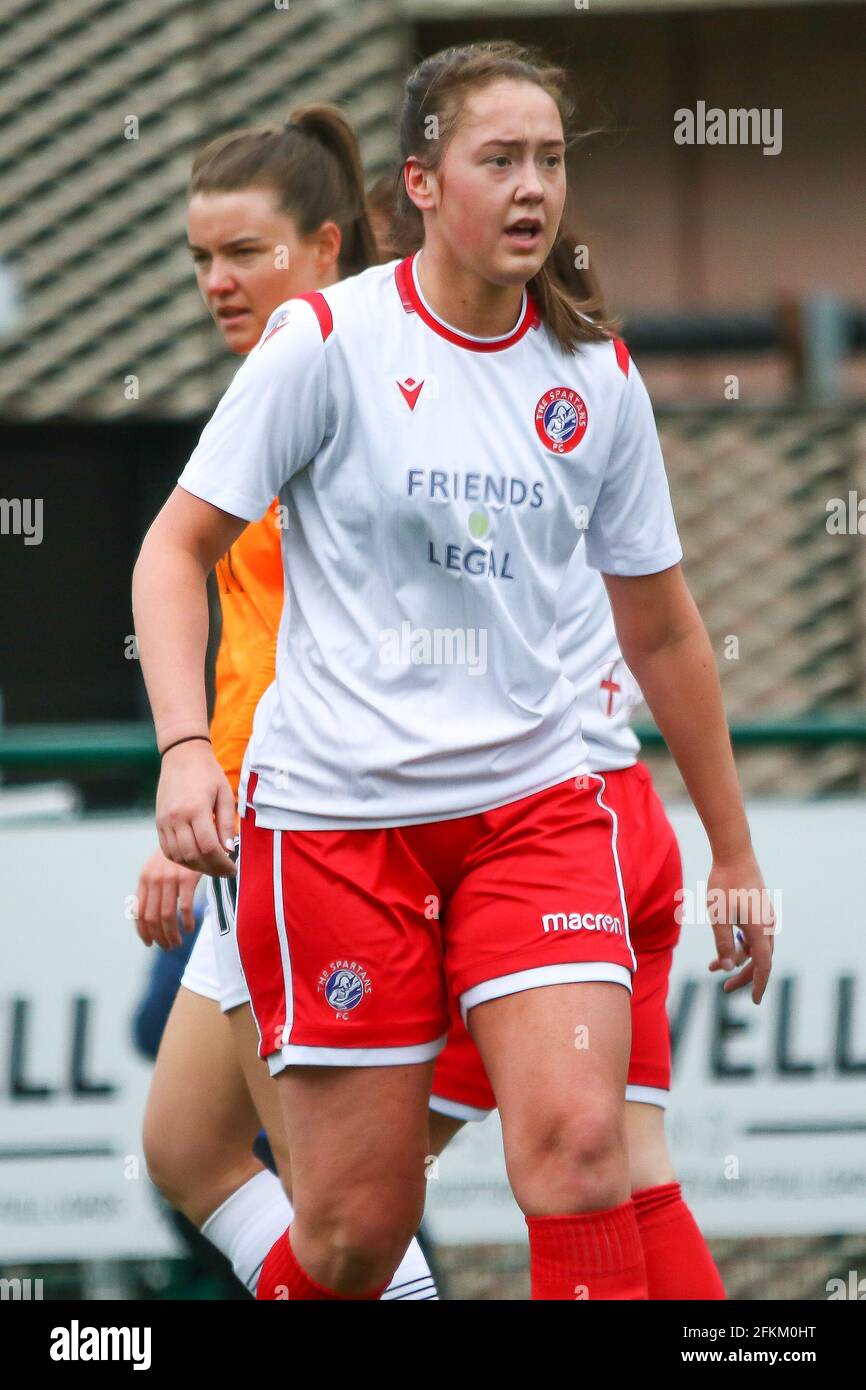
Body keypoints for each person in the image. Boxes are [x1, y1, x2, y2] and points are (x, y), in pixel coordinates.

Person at [133, 40, 774, 1301]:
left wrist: (733, 852)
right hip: (334, 829)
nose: (531, 187)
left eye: (547, 161)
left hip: (533, 815)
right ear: (421, 184)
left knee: (586, 1150)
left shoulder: (595, 376)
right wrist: (183, 748)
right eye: (499, 160)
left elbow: (665, 633)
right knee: (351, 1238)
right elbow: (172, 551)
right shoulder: (324, 342)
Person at [133, 105, 436, 1299]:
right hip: (252, 814)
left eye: (243, 253)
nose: (216, 281)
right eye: (200, 258)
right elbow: (250, 633)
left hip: (319, 826)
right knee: (187, 1147)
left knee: (341, 1212)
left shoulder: (335, 382)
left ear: (323, 247)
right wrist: (190, 763)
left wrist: (203, 764)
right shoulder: (276, 383)